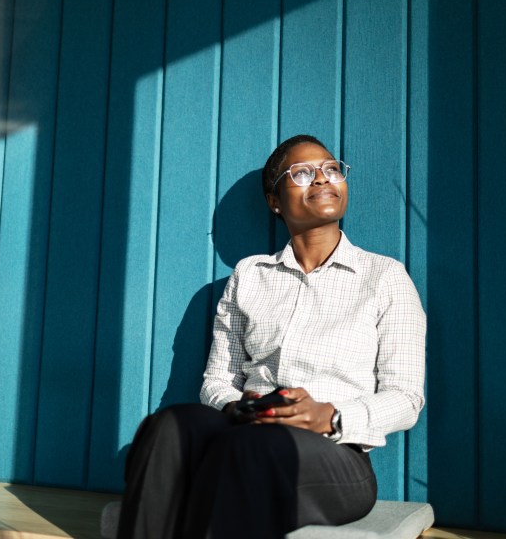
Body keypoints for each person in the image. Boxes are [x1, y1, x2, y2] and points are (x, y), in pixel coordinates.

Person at [116, 134, 426, 539]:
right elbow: (216, 382)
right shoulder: (249, 275)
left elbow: (406, 399)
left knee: (246, 450)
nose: (321, 179)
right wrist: (239, 406)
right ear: (275, 201)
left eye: (331, 169)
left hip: (335, 456)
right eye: (302, 173)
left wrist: (329, 416)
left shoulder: (385, 277)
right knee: (169, 425)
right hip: (247, 430)